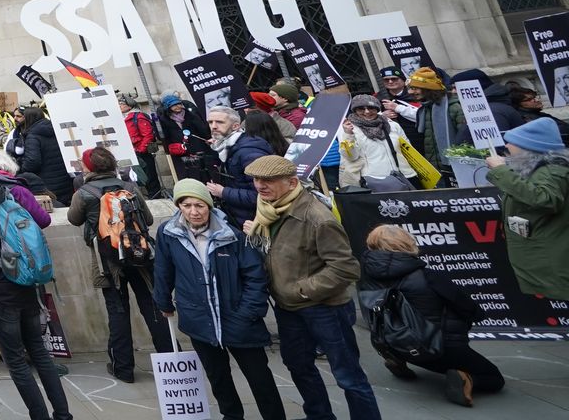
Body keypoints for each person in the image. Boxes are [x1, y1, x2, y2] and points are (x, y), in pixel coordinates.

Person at [240, 155, 378, 420]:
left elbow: (346, 268)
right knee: (298, 366)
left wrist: (302, 290)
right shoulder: (268, 208)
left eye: (268, 180)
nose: (260, 185)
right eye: (257, 179)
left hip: (324, 308)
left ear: (292, 183)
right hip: (289, 308)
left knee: (348, 376)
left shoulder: (317, 218)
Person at [153, 180, 285, 420]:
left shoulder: (231, 235)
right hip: (199, 319)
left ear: (209, 206)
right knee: (218, 377)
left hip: (238, 318)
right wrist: (163, 301)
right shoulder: (168, 233)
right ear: (179, 206)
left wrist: (249, 313)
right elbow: (163, 269)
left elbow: (255, 276)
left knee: (260, 378)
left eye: (200, 205)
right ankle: (232, 416)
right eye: (187, 205)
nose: (194, 211)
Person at [0, 159, 72, 420]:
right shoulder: (7, 194)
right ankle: (63, 414)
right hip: (27, 283)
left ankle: (39, 416)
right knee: (40, 353)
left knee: (17, 361)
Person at [357, 224, 503, 406]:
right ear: (407, 243)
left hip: (391, 342)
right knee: (494, 378)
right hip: (437, 347)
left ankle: (398, 359)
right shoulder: (428, 276)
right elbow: (468, 307)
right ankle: (467, 379)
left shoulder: (366, 277)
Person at [66, 147, 171, 383]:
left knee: (118, 311)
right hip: (139, 255)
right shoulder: (130, 187)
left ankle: (123, 368)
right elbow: (149, 219)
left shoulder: (84, 192)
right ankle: (169, 362)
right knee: (151, 305)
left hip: (108, 259)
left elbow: (74, 219)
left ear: (88, 168)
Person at [485, 118, 569, 301]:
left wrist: (501, 171)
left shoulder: (552, 170)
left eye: (512, 142)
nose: (506, 145)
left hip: (554, 255)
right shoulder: (539, 168)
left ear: (529, 147)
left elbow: (544, 199)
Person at [205, 107, 275, 228]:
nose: (214, 126)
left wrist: (223, 192)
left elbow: (262, 195)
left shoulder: (249, 153)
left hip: (254, 221)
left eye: (220, 122)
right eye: (210, 122)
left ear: (236, 126)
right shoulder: (225, 147)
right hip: (238, 216)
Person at [338, 95, 418, 191]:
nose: (367, 112)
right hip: (374, 181)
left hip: (404, 177)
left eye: (371, 108)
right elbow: (350, 157)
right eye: (361, 109)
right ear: (355, 111)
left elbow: (408, 150)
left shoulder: (392, 125)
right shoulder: (349, 129)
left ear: (377, 109)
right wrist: (348, 135)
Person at [6, 104, 73, 203]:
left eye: (20, 116)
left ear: (28, 118)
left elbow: (32, 162)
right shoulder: (55, 130)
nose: (15, 119)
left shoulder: (33, 135)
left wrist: (20, 169)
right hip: (64, 182)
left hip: (47, 183)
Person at [119, 94, 161, 197]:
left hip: (141, 152)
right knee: (139, 176)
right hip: (132, 152)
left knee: (149, 175)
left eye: (121, 104)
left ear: (129, 106)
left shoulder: (139, 116)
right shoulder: (124, 118)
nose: (119, 106)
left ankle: (155, 195)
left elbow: (148, 135)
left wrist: (141, 149)